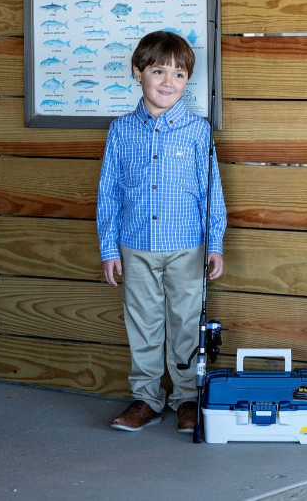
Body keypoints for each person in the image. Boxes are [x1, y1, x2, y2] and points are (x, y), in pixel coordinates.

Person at [97, 31, 227, 434]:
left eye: (180, 74)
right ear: (138, 72)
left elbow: (212, 193)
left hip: (188, 247)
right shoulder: (120, 131)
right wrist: (108, 248)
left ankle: (187, 399)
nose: (169, 82)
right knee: (143, 323)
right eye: (158, 71)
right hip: (134, 246)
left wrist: (216, 243)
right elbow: (108, 194)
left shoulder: (197, 131)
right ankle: (146, 398)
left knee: (186, 323)